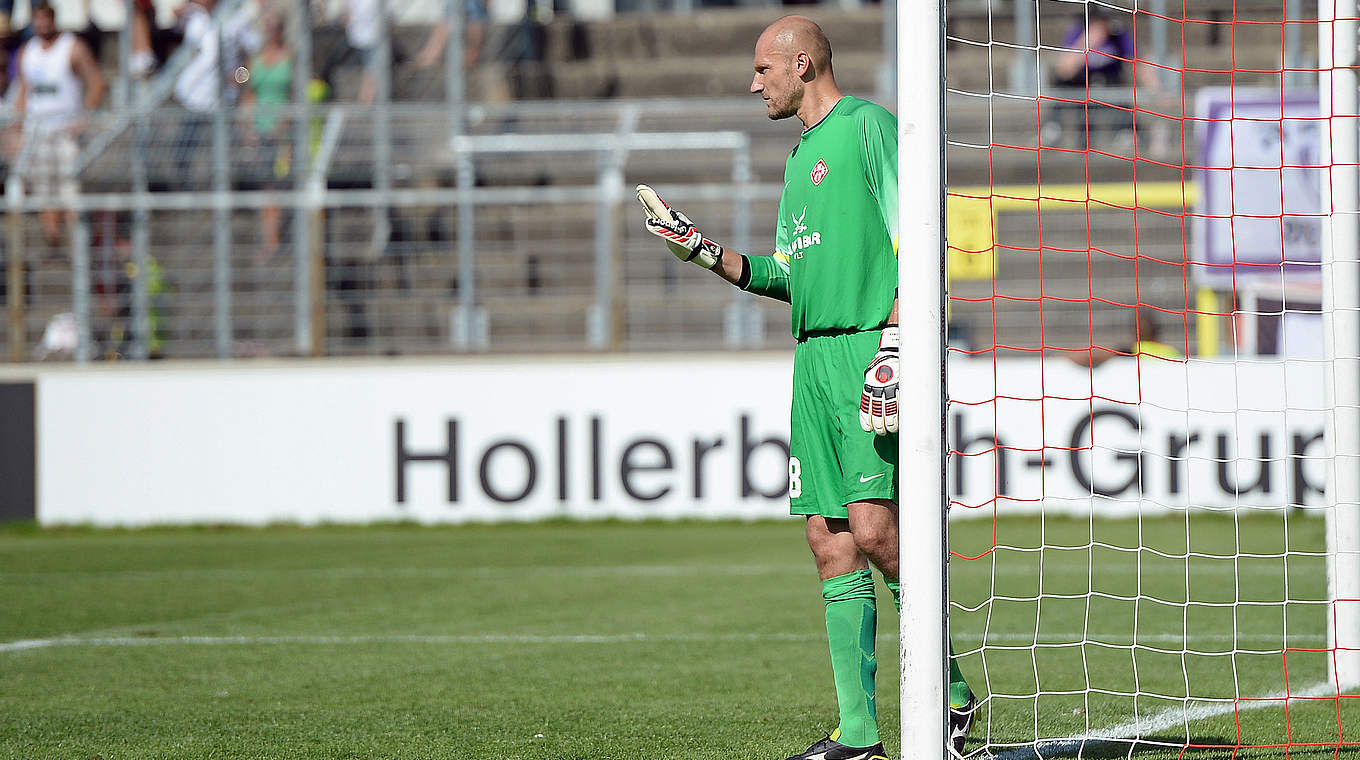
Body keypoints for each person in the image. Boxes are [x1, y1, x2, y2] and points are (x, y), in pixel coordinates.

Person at [635, 16, 973, 760]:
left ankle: (949, 694)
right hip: (813, 362)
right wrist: (704, 251)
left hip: (865, 348)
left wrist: (896, 340)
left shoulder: (869, 129)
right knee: (828, 540)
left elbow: (919, 232)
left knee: (878, 529)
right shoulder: (796, 161)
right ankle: (858, 734)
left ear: (803, 60)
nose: (753, 83)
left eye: (763, 69)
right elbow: (789, 275)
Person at [12, 1, 105, 250]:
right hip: (37, 132)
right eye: (37, 20)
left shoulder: (72, 47)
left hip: (65, 131)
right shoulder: (27, 51)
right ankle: (52, 241)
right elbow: (24, 90)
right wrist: (18, 129)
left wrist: (85, 116)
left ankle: (77, 244)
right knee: (44, 191)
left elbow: (96, 82)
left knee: (70, 190)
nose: (42, 25)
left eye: (46, 19)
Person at [242, 9, 292, 264]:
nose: (272, 31)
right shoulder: (254, 59)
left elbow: (297, 92)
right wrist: (248, 126)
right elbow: (247, 89)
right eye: (268, 26)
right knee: (267, 188)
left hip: (284, 135)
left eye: (276, 26)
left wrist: (287, 121)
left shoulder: (292, 56)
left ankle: (275, 240)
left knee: (279, 186)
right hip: (261, 131)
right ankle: (269, 240)